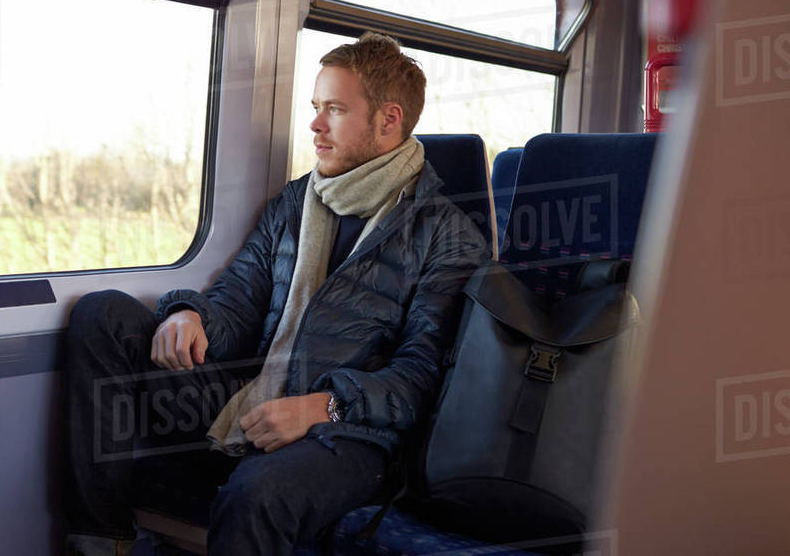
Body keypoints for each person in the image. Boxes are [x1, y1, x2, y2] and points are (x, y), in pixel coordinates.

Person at [65, 33, 489, 555]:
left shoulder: (448, 237)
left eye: (334, 109)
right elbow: (239, 298)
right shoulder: (297, 201)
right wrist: (189, 314)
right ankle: (101, 542)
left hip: (354, 435)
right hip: (254, 394)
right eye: (315, 107)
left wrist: (324, 407)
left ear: (388, 120)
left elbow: (423, 379)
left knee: (256, 493)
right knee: (101, 314)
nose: (314, 125)